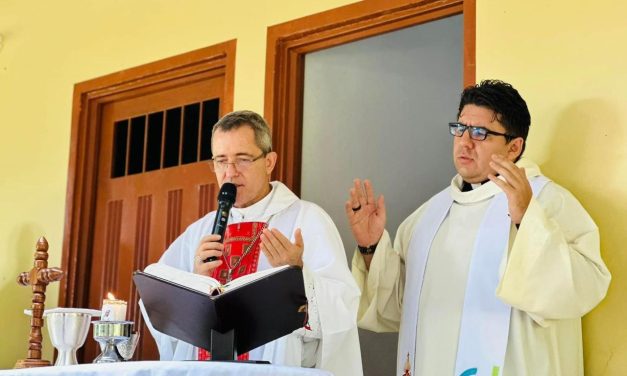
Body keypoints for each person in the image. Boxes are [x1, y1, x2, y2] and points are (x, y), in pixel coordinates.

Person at [346, 80, 611, 376]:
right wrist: (370, 247)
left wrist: (528, 220)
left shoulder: (549, 201)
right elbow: (398, 309)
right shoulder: (428, 216)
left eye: (480, 133)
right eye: (459, 129)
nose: (465, 142)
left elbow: (584, 288)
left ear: (514, 147)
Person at [141, 110, 363, 375]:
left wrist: (298, 278)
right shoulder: (199, 231)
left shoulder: (307, 219)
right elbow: (159, 308)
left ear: (269, 161)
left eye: (242, 159)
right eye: (221, 161)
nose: (230, 173)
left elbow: (344, 307)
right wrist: (195, 280)